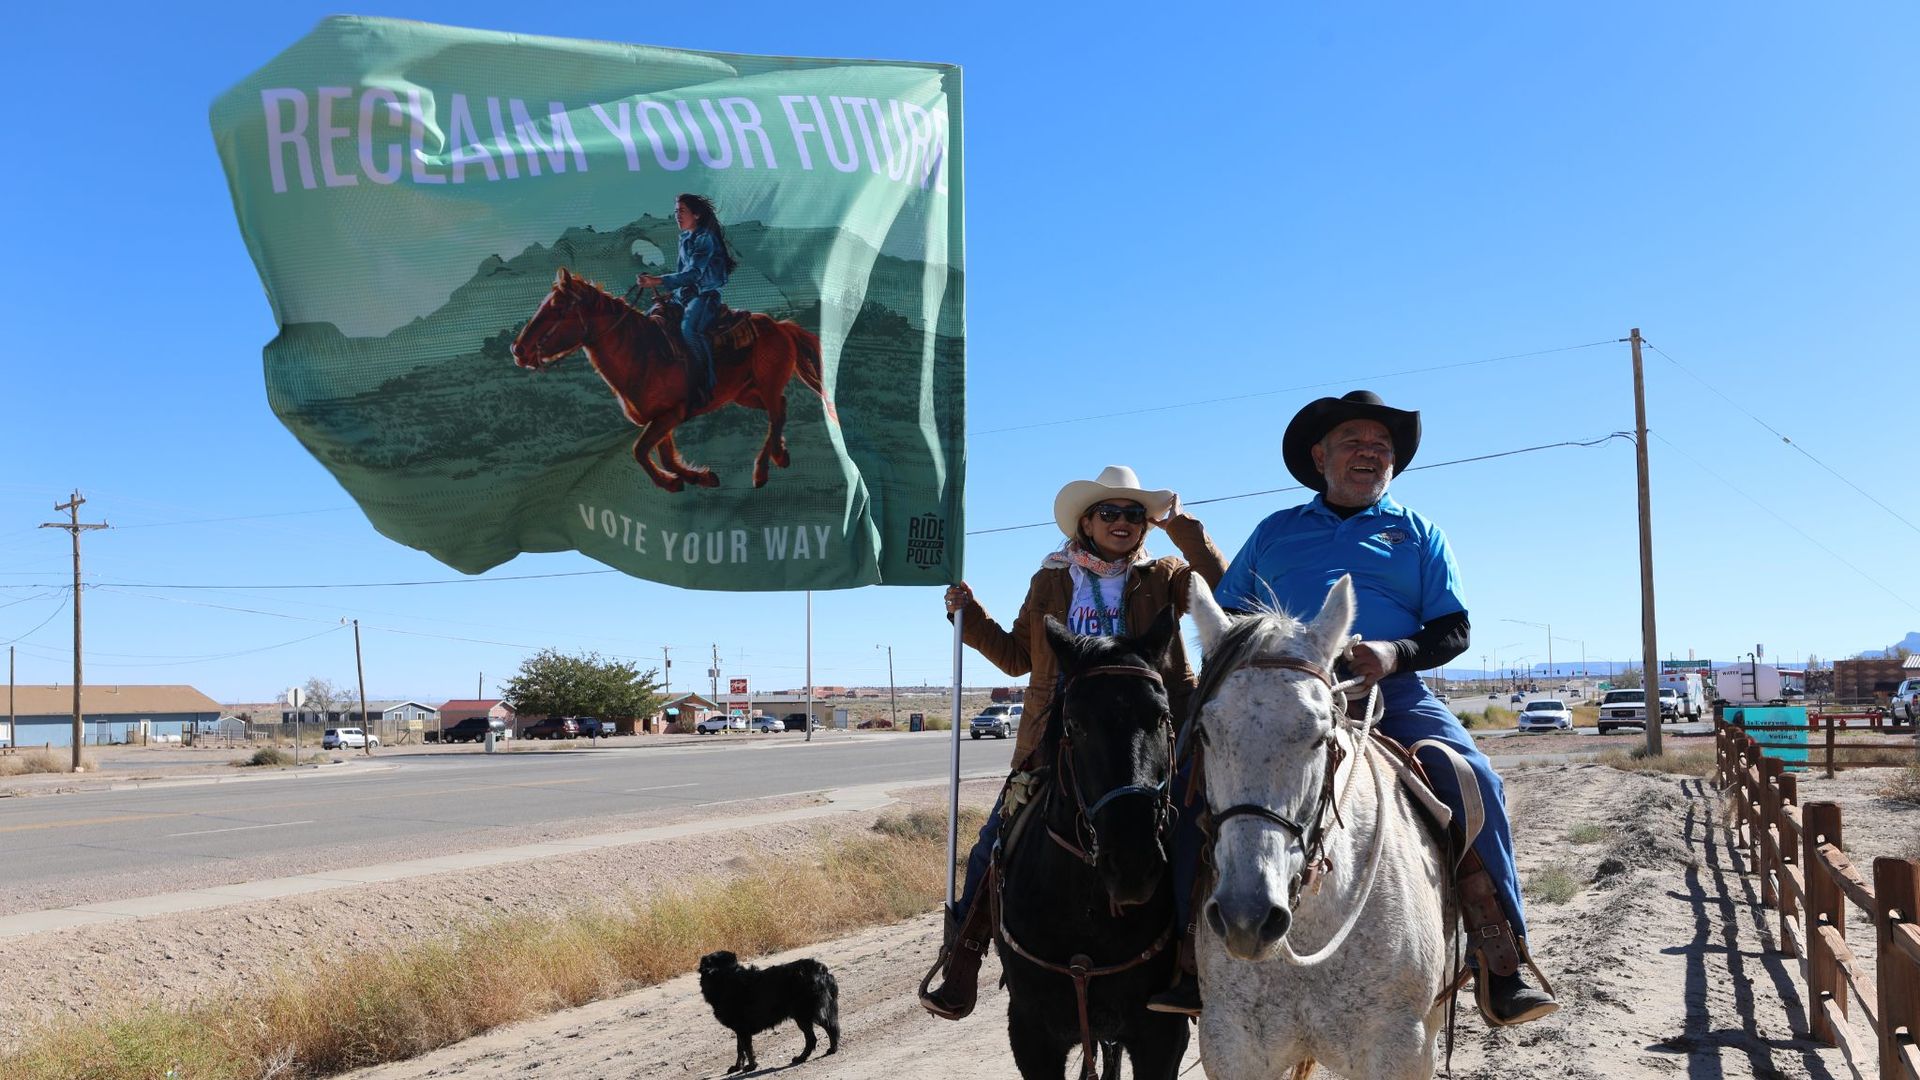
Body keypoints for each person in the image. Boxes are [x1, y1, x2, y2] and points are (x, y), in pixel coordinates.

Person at [1147, 390, 1559, 1027]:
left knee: (1474, 779)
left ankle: (1499, 954)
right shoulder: (1275, 532)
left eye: (1382, 447)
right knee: (1188, 787)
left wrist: (1394, 652)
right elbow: (1227, 618)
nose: (1371, 454)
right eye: (1354, 443)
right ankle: (1183, 954)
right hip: (1283, 698)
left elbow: (1453, 629)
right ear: (1320, 456)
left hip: (1391, 695)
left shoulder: (1419, 533)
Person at [918, 464, 1226, 1021]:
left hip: (1148, 737)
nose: (1124, 522)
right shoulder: (1051, 582)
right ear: (1086, 522)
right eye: (1110, 512)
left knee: (1196, 837)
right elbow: (1017, 657)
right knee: (995, 838)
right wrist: (968, 615)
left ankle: (1191, 960)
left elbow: (1220, 580)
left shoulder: (1166, 574)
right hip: (1059, 734)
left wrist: (1181, 524)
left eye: (1135, 514)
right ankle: (963, 958)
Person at [636, 193, 736, 412]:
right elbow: (683, 274)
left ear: (697, 215)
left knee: (689, 330)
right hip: (686, 296)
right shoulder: (685, 238)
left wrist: (658, 280)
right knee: (649, 320)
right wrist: (671, 293)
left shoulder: (704, 239)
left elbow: (693, 273)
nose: (677, 216)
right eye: (675, 212)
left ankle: (706, 384)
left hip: (705, 296)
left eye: (681, 211)